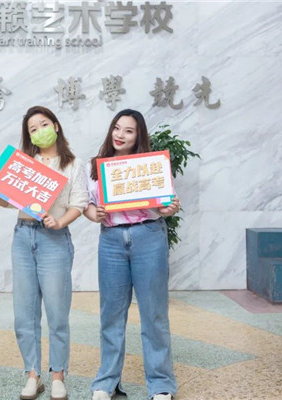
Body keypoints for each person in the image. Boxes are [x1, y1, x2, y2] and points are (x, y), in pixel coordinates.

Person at [0, 106, 88, 400]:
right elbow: (7, 200)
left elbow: (78, 202)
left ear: (56, 126)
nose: (39, 132)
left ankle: (58, 375)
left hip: (55, 239)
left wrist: (59, 222)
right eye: (32, 129)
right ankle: (32, 374)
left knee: (57, 312)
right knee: (25, 312)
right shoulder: (24, 163)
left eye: (44, 124)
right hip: (23, 237)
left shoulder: (73, 164)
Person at [84, 109, 180, 400]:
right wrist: (94, 213)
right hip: (111, 240)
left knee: (154, 313)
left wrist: (169, 208)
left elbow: (165, 204)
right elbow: (86, 204)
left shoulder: (152, 166)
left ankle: (161, 385)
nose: (120, 135)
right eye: (116, 127)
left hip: (148, 236)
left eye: (128, 130)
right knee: (111, 314)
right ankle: (107, 382)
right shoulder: (94, 166)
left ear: (139, 136)